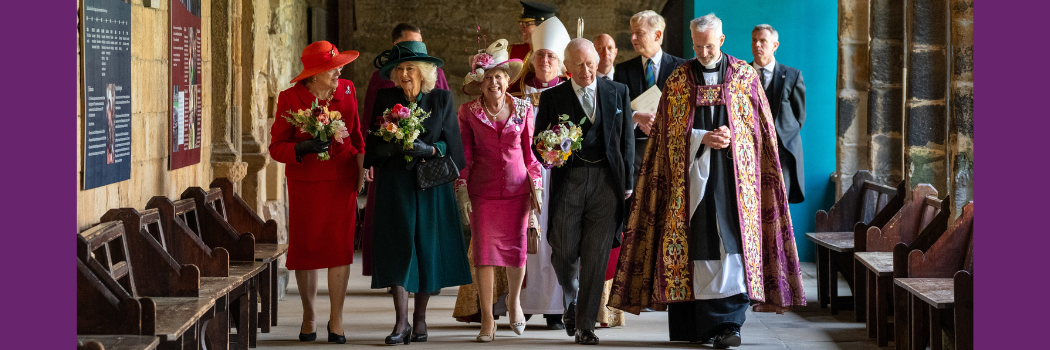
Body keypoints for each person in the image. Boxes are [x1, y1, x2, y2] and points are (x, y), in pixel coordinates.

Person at [610, 14, 806, 349]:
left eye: (710, 46)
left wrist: (734, 135)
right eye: (697, 46)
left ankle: (731, 324)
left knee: (732, 245)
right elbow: (665, 133)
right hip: (690, 182)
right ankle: (699, 325)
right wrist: (701, 137)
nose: (703, 52)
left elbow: (761, 130)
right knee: (695, 246)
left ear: (723, 40)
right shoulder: (679, 79)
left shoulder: (744, 77)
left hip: (734, 180)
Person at [364, 40, 472, 345]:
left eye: (410, 68)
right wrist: (394, 143)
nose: (404, 74)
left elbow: (455, 149)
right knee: (398, 249)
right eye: (399, 69)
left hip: (430, 186)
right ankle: (400, 323)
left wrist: (429, 148)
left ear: (423, 72)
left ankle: (420, 318)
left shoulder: (440, 100)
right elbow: (374, 147)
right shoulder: (386, 98)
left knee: (427, 250)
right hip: (395, 184)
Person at [535, 38, 634, 345]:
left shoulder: (617, 92)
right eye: (579, 64)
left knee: (595, 254)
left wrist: (628, 182)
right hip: (571, 181)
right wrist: (550, 152)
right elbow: (538, 144)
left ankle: (585, 325)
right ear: (567, 67)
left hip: (608, 183)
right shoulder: (553, 96)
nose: (587, 69)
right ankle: (571, 293)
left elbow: (627, 140)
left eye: (591, 63)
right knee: (563, 249)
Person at [268, 41, 364, 344]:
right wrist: (301, 147)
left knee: (339, 249)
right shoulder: (290, 97)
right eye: (333, 69)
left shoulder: (347, 90)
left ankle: (337, 318)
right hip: (305, 183)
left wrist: (363, 167)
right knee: (306, 250)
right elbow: (276, 147)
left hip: (342, 181)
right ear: (313, 75)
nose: (339, 73)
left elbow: (358, 133)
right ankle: (309, 316)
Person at [454, 39, 542, 341]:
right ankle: (488, 319)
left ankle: (515, 302)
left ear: (509, 79)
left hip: (517, 191)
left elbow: (531, 156)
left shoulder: (523, 108)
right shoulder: (468, 112)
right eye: (488, 76)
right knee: (484, 255)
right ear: (480, 81)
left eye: (500, 75)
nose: (495, 81)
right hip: (483, 192)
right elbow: (463, 155)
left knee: (517, 251)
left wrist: (537, 191)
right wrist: (462, 189)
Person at [360, 22, 450, 279]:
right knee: (392, 220)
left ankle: (428, 272)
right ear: (395, 47)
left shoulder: (435, 74)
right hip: (392, 161)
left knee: (428, 223)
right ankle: (393, 273)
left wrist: (434, 149)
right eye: (407, 45)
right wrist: (370, 161)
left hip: (427, 160)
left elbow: (444, 118)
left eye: (418, 43)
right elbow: (369, 120)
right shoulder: (380, 78)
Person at [517, 15, 571, 331]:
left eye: (551, 56)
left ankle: (554, 307)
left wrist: (559, 149)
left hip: (558, 173)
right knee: (524, 235)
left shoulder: (568, 90)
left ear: (560, 60)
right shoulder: (516, 89)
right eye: (540, 55)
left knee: (554, 236)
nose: (545, 60)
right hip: (523, 173)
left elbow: (576, 130)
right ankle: (518, 304)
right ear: (532, 58)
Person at [614, 10, 688, 177]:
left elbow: (688, 109)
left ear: (657, 35)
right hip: (635, 154)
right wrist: (636, 116)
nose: (633, 38)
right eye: (632, 33)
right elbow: (616, 109)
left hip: (671, 150)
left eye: (639, 33)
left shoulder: (682, 68)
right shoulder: (622, 70)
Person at [591, 32, 626, 329]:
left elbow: (626, 137)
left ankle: (610, 308)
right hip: (586, 175)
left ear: (616, 51)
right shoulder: (574, 84)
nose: (604, 53)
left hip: (618, 174)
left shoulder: (623, 83)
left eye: (610, 48)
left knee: (614, 242)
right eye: (599, 48)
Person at [751, 24, 806, 204]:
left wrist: (783, 135)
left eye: (763, 41)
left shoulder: (792, 75)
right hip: (750, 149)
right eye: (754, 40)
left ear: (775, 46)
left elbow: (799, 116)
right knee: (752, 203)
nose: (757, 45)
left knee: (780, 203)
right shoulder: (741, 73)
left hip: (782, 150)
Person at [508, 0, 558, 98]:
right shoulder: (513, 51)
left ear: (542, 26)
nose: (522, 28)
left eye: (527, 24)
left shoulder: (561, 54)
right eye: (521, 23)